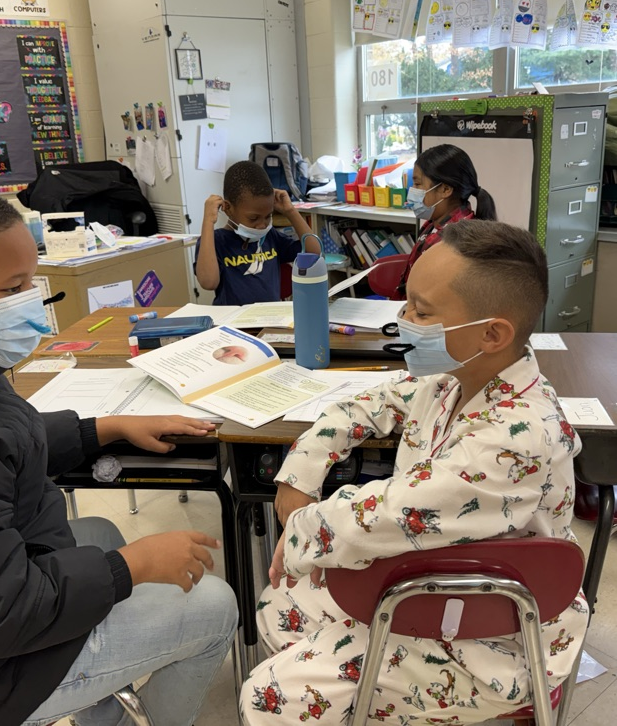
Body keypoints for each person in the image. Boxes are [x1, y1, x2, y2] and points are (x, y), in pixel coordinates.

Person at [0, 181, 238, 726]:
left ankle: (101, 711)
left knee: (100, 536)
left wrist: (104, 428)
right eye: (14, 287)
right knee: (211, 605)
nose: (33, 304)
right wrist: (131, 568)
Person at [240, 220, 588, 725]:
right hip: (427, 589)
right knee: (280, 606)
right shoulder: (457, 378)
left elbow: (389, 511)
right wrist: (302, 471)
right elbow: (369, 403)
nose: (404, 319)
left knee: (266, 699)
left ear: (492, 333)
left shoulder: (520, 436)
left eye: (421, 311)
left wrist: (302, 531)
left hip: (488, 638)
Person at [195, 160, 320, 306]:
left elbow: (314, 252)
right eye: (253, 218)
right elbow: (209, 282)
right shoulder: (216, 240)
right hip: (233, 324)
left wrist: (291, 212)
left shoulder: (270, 237)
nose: (262, 225)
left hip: (269, 320)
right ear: (228, 208)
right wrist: (208, 222)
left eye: (268, 216)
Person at [391, 143, 497, 299]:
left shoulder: (455, 240)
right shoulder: (434, 224)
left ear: (445, 190)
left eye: (418, 184)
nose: (412, 190)